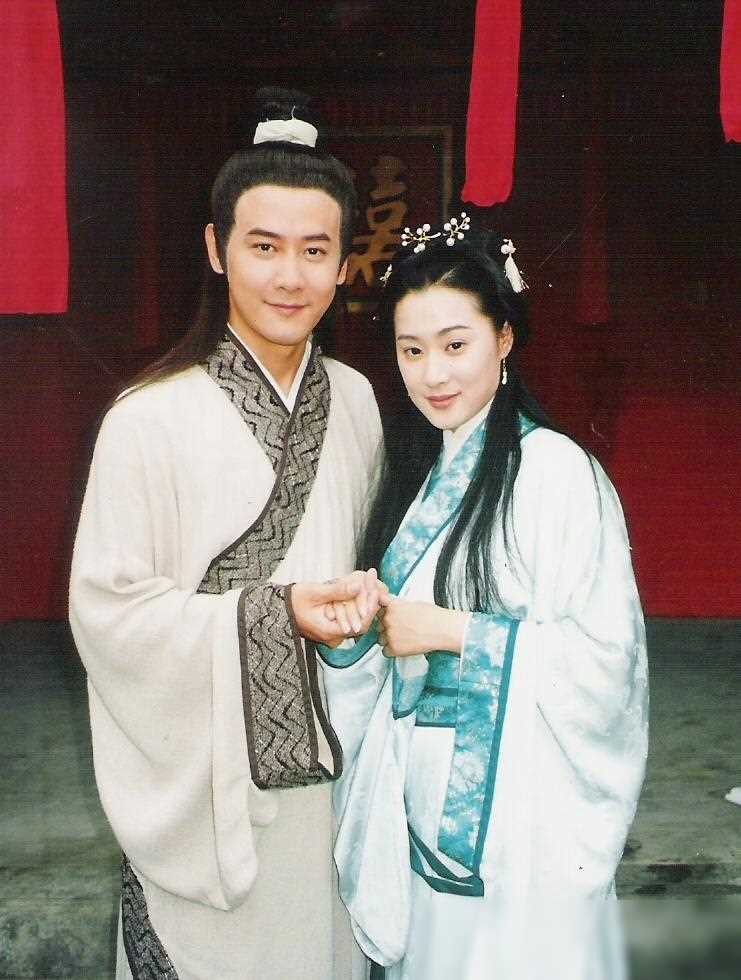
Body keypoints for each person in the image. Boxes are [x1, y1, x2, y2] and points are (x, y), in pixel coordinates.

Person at [69, 88, 383, 980]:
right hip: (207, 782)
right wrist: (275, 617)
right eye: (264, 246)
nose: (290, 277)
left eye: (315, 251)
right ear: (216, 249)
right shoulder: (145, 418)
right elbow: (108, 614)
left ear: (343, 263)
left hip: (324, 770)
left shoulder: (357, 402)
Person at [320, 223, 649, 980]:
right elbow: (389, 652)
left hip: (523, 826)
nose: (432, 374)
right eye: (411, 350)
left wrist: (457, 632)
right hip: (424, 805)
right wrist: (355, 634)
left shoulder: (556, 473)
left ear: (503, 339)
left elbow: (608, 663)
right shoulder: (416, 473)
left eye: (455, 344)